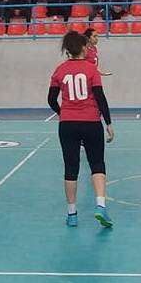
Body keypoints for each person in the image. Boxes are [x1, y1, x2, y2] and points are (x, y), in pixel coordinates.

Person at [48, 31, 115, 228]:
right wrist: (108, 123)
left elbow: (51, 99)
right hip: (91, 122)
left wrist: (63, 113)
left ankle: (72, 214)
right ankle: (101, 206)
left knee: (71, 168)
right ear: (83, 48)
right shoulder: (90, 70)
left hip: (67, 124)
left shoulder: (60, 70)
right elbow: (100, 98)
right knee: (97, 163)